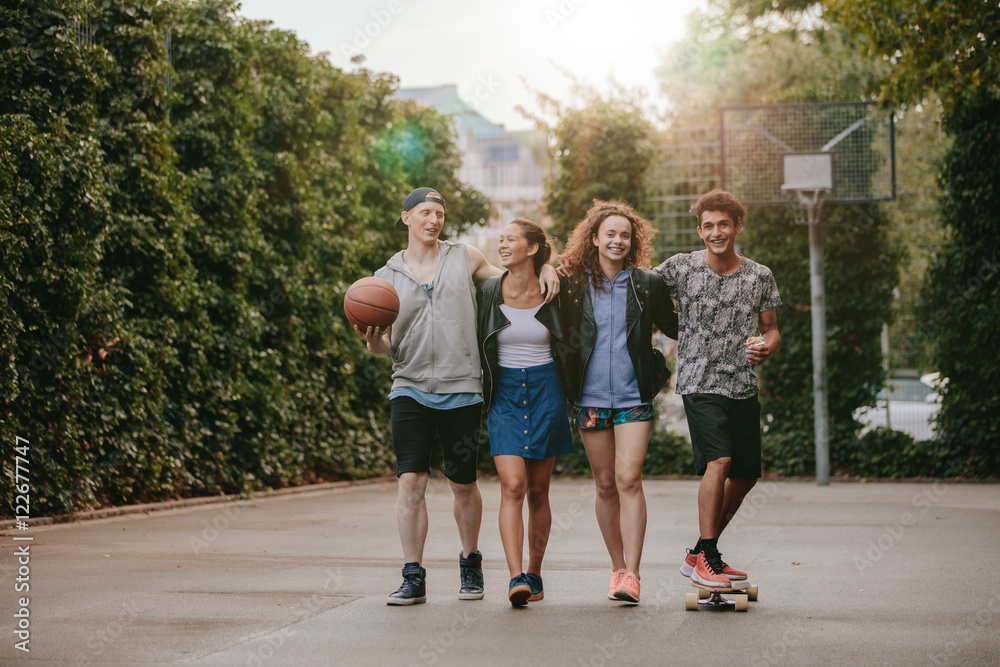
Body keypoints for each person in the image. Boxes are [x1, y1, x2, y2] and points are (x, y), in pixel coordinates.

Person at [356, 187, 559, 606]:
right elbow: (383, 349)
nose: (434, 220)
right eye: (425, 213)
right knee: (410, 481)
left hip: (463, 388)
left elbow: (513, 281)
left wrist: (549, 268)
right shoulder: (385, 277)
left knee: (462, 482)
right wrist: (372, 340)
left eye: (439, 214)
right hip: (409, 388)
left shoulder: (465, 257)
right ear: (406, 217)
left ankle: (470, 562)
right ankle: (413, 575)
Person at [653, 189, 781, 588]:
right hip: (698, 380)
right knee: (719, 462)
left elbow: (771, 329)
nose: (716, 232)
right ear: (700, 230)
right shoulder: (681, 268)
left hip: (742, 384)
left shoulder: (759, 275)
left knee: (744, 476)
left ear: (737, 226)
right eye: (708, 225)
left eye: (723, 224)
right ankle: (708, 558)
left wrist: (766, 348)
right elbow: (638, 289)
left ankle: (698, 553)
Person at [557, 199, 678, 604]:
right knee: (605, 484)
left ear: (633, 240)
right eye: (610, 233)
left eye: (625, 235)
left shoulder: (646, 284)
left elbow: (678, 326)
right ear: (594, 238)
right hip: (590, 399)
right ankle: (616, 568)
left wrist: (662, 364)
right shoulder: (573, 285)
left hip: (633, 396)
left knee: (629, 480)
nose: (618, 241)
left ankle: (634, 575)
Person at [476, 219, 574, 607]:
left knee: (538, 490)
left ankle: (535, 572)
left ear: (532, 248)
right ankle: (515, 575)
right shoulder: (487, 289)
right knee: (512, 485)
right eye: (500, 240)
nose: (502, 245)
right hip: (504, 395)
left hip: (546, 389)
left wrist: (551, 269)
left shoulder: (556, 289)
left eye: (511, 239)